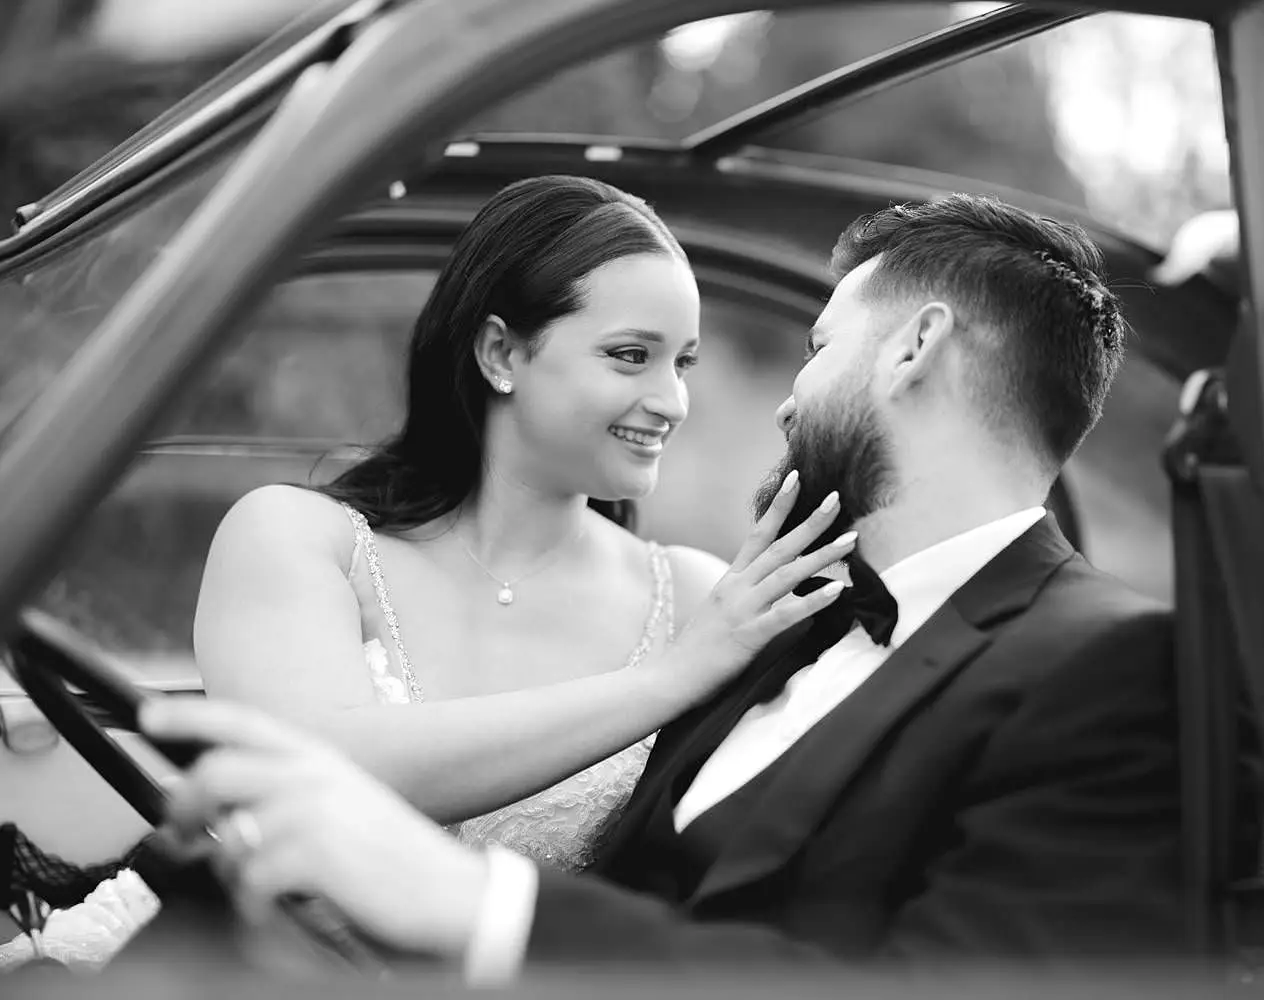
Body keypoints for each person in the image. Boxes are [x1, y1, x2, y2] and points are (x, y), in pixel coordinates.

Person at [145, 193, 1201, 978]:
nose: (773, 401)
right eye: (632, 354)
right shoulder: (777, 626)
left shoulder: (1102, 669)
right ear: (501, 353)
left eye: (816, 347)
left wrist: (486, 912)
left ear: (917, 347)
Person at [190, 174, 853, 870]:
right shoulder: (294, 537)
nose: (671, 401)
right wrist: (665, 682)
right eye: (631, 356)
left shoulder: (695, 600)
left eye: (681, 363)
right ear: (500, 353)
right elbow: (318, 774)